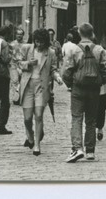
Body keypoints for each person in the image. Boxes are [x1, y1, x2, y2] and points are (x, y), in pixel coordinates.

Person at [62, 23, 106, 163]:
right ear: (92, 33)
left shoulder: (74, 49)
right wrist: (100, 82)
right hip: (94, 89)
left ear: (80, 33)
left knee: (77, 118)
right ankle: (90, 151)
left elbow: (66, 71)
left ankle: (77, 148)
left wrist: (70, 84)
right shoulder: (100, 49)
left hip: (78, 88)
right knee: (91, 119)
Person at [19, 28, 63, 156]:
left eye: (42, 42)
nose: (39, 45)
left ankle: (37, 145)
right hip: (28, 86)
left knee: (38, 115)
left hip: (41, 87)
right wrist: (28, 63)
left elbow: (53, 69)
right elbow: (17, 64)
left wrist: (58, 77)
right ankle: (31, 136)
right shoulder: (27, 49)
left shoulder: (51, 53)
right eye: (37, 42)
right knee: (27, 118)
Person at [9, 28, 25, 105]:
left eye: (21, 34)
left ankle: (20, 97)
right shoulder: (12, 44)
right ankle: (16, 98)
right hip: (14, 65)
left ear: (23, 35)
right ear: (15, 35)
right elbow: (10, 56)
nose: (19, 35)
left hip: (23, 65)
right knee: (15, 81)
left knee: (22, 82)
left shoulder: (26, 45)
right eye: (18, 34)